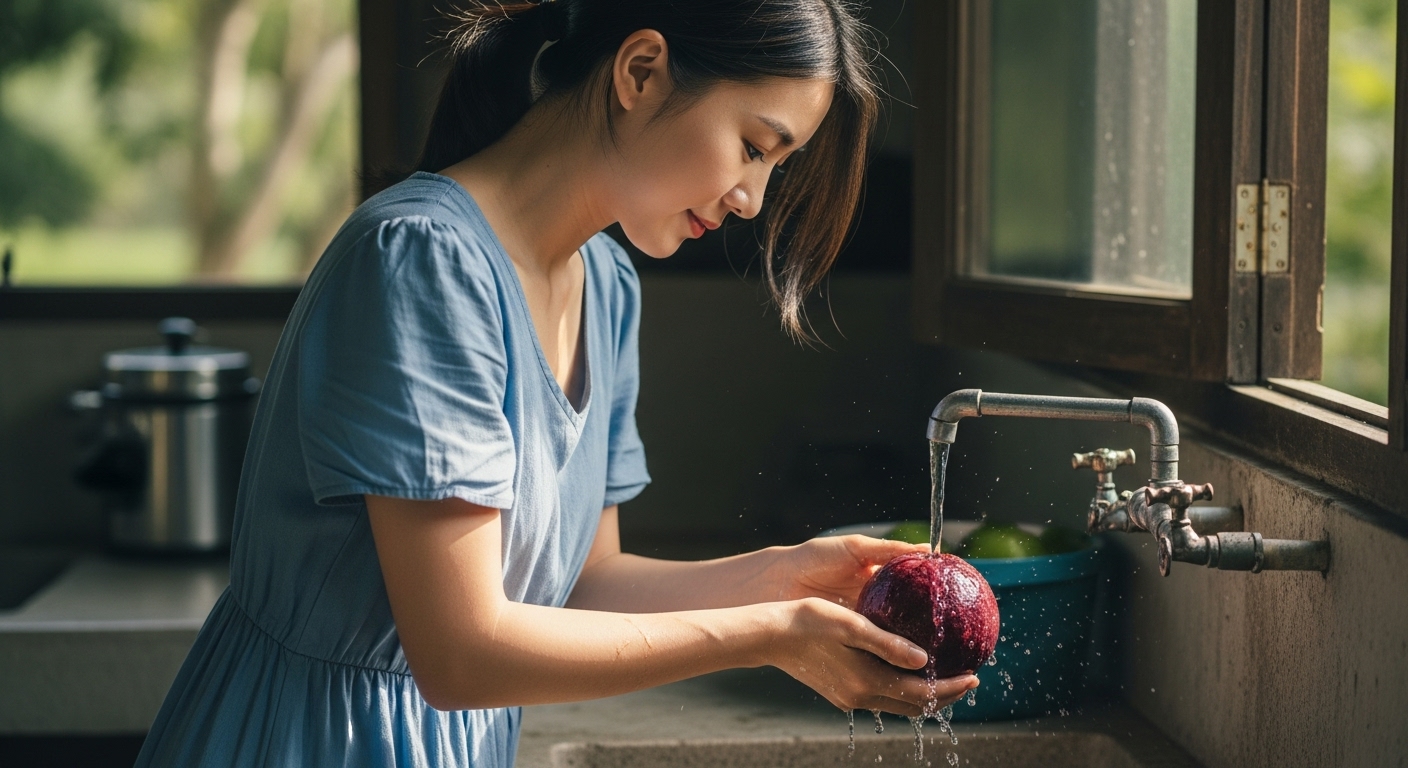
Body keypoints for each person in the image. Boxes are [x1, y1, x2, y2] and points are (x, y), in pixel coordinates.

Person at [135, 1, 979, 765]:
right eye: (754, 147)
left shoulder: (606, 286)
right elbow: (461, 654)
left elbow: (581, 586)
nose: (754, 198)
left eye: (775, 167)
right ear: (640, 72)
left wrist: (785, 575)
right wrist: (771, 634)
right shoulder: (424, 262)